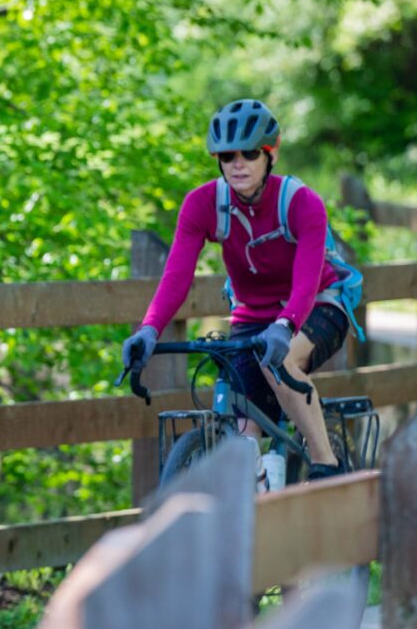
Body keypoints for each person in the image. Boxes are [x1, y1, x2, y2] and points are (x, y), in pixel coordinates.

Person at [120, 98, 351, 480]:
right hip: (253, 315)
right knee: (245, 423)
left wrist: (285, 325)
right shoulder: (202, 205)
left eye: (249, 153)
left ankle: (326, 464)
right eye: (227, 156)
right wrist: (149, 329)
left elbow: (307, 282)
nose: (238, 163)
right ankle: (262, 492)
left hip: (318, 306)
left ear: (269, 155)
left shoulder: (300, 203)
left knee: (281, 361)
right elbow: (177, 276)